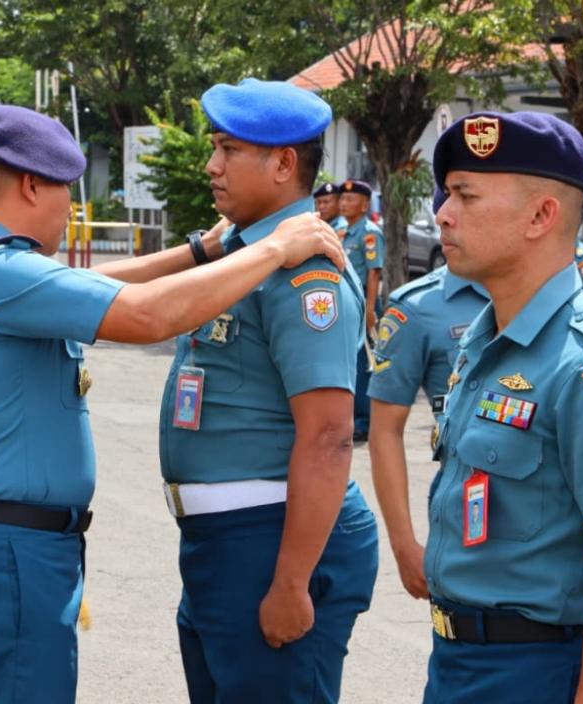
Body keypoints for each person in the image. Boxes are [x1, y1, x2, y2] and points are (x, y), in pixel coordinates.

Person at [0, 103, 347, 704]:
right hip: (2, 554)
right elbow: (147, 315)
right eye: (66, 190)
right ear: (32, 186)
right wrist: (273, 249)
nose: (70, 209)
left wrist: (201, 252)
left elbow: (99, 285)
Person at [426, 111, 583, 703]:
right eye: (447, 194)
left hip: (538, 672)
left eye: (465, 195)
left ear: (541, 216)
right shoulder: (487, 340)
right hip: (460, 663)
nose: (443, 214)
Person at [158, 79, 379, 704]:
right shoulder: (243, 252)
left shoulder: (305, 271)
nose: (212, 165)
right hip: (227, 543)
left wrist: (291, 582)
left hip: (270, 538)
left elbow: (329, 436)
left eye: (228, 150)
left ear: (283, 164)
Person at [367, 265, 488, 598]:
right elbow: (385, 430)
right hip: (466, 516)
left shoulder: (547, 288)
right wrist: (403, 545)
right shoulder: (417, 308)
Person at [339, 179, 385, 442]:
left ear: (365, 205)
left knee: (364, 363)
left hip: (364, 303)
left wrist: (369, 310)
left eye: (350, 199)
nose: (344, 203)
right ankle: (353, 418)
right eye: (343, 199)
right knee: (350, 361)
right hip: (347, 303)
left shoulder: (370, 233)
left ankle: (364, 422)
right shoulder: (343, 231)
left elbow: (373, 273)